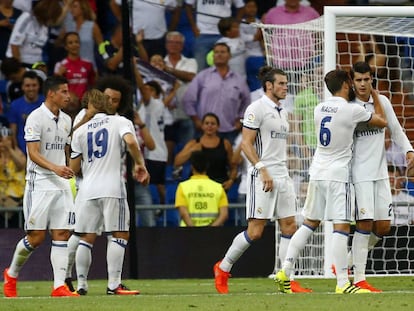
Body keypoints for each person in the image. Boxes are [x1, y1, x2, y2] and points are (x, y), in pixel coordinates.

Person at [274, 69, 387, 294]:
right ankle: (343, 283)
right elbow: (381, 122)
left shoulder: (319, 108)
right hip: (338, 175)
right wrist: (373, 95)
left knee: (309, 223)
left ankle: (285, 269)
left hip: (317, 171)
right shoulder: (352, 110)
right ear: (347, 84)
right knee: (341, 226)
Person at [213, 66, 308, 294]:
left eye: (286, 83)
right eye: (282, 84)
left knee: (289, 226)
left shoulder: (283, 112)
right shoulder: (256, 108)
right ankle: (223, 267)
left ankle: (286, 278)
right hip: (262, 175)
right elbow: (245, 144)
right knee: (256, 231)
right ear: (269, 86)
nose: (286, 87)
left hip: (283, 175)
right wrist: (262, 168)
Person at [3, 75, 79, 298]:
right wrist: (56, 168)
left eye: (68, 91)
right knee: (36, 237)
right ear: (51, 93)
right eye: (64, 91)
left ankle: (58, 286)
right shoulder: (35, 118)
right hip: (40, 183)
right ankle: (12, 273)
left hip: (61, 183)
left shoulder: (66, 120)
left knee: (62, 233)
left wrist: (69, 169)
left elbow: (66, 153)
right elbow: (33, 154)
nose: (68, 95)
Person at [70, 89, 149, 295]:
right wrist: (140, 164)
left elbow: (74, 167)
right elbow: (131, 142)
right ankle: (114, 284)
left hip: (87, 190)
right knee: (120, 233)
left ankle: (81, 285)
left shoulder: (80, 130)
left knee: (86, 237)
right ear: (106, 103)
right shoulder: (120, 121)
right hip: (112, 187)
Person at [346, 61, 414, 292]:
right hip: (359, 174)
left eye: (367, 79)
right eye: (359, 80)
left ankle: (346, 264)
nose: (363, 84)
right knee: (364, 223)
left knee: (383, 227)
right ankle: (359, 278)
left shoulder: (382, 101)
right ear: (352, 81)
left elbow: (395, 129)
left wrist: (409, 150)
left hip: (380, 174)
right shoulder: (349, 106)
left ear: (371, 79)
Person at [183, 42, 250, 145]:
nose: (219, 54)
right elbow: (188, 99)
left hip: (229, 130)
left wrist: (240, 119)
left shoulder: (238, 79)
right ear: (213, 56)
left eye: (223, 52)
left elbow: (246, 101)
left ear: (229, 56)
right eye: (216, 52)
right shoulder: (203, 76)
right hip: (205, 130)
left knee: (228, 160)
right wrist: (196, 120)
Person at [174, 113, 237, 192]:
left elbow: (233, 167)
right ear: (202, 126)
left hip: (219, 186)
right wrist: (191, 150)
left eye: (213, 124)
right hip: (198, 187)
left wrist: (231, 181)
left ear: (218, 126)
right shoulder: (193, 143)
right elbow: (177, 162)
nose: (209, 126)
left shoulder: (225, 144)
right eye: (207, 123)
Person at [163, 31, 198, 158]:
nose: (173, 45)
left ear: (182, 46)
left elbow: (190, 76)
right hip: (165, 115)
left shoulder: (190, 62)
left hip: (185, 113)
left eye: (177, 43)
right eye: (171, 42)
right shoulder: (159, 61)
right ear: (166, 44)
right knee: (166, 153)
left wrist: (168, 70)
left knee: (186, 151)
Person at [184, 0, 245, 71]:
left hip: (224, 34)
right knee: (200, 70)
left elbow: (241, 7)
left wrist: (235, 25)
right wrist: (193, 27)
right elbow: (188, 5)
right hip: (203, 33)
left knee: (227, 70)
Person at [175, 150, 229, 227]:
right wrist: (210, 230)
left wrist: (194, 230)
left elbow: (183, 213)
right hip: (213, 234)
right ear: (207, 166)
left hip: (187, 233)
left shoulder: (183, 187)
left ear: (192, 167)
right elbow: (224, 214)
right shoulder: (218, 187)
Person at [110, 0, 178, 58]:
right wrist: (124, 21)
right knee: (137, 67)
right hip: (135, 37)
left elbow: (176, 9)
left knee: (157, 68)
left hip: (158, 38)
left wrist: (171, 29)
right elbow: (113, 3)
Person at [5, 0, 62, 67]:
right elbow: (14, 45)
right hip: (18, 62)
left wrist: (41, 66)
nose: (51, 21)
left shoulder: (45, 25)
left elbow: (39, 49)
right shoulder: (26, 18)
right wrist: (19, 68)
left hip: (35, 64)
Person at [7, 70, 45, 154]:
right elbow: (13, 131)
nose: (31, 88)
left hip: (44, 150)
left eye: (34, 85)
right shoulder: (15, 105)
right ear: (22, 87)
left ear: (39, 86)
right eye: (27, 86)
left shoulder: (46, 102)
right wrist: (17, 150)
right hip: (23, 151)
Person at [60, 0, 103, 70]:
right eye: (71, 7)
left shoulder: (92, 26)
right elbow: (59, 44)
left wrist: (104, 59)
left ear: (83, 9)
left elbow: (101, 46)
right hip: (71, 67)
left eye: (75, 7)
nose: (71, 10)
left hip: (89, 67)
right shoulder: (68, 26)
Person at [54, 31, 96, 102]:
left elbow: (92, 85)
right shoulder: (60, 65)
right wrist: (59, 75)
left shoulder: (88, 64)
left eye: (76, 42)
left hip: (84, 104)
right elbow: (55, 88)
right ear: (66, 47)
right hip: (67, 104)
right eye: (70, 43)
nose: (74, 45)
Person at [0, 116, 26, 228]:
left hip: (17, 197)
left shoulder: (18, 153)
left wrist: (9, 150)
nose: (4, 143)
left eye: (8, 141)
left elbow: (21, 165)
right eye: (1, 141)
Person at [240, 0, 265, 92]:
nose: (251, 9)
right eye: (248, 6)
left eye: (253, 7)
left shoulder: (260, 22)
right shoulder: (239, 24)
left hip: (258, 56)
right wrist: (262, 24)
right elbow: (255, 38)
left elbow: (262, 40)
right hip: (244, 57)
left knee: (258, 82)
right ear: (244, 9)